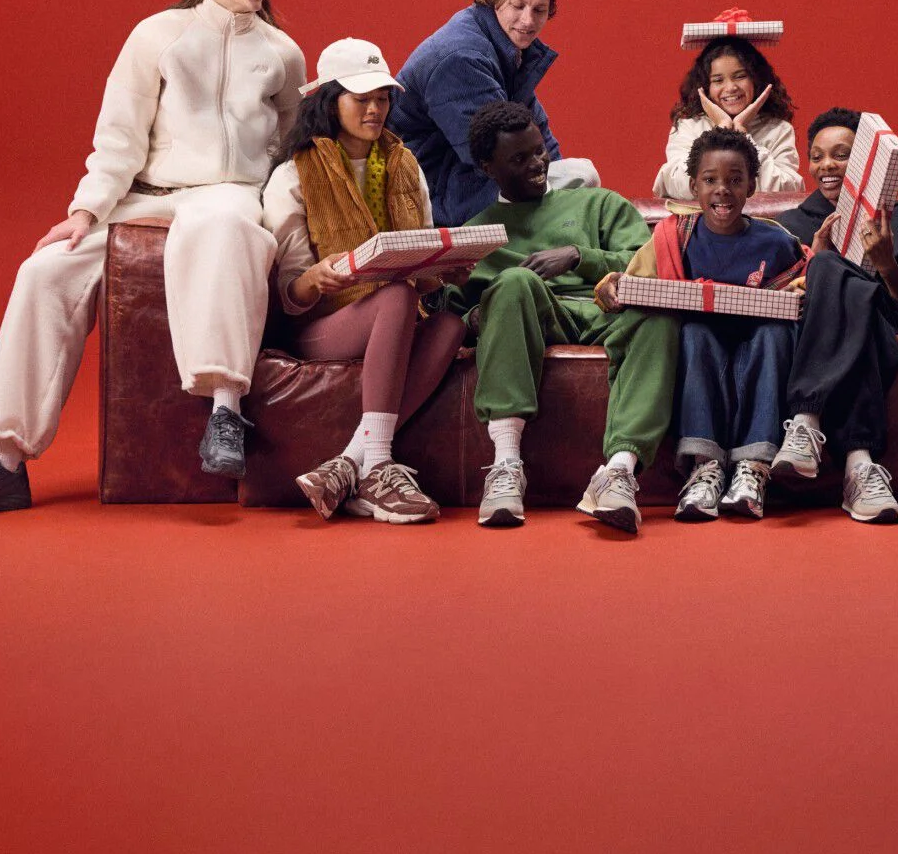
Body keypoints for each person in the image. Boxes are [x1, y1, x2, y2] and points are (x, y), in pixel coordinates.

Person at [0, 0, 306, 518]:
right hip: (147, 196)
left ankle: (226, 413)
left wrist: (287, 222)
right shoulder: (158, 35)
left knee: (225, 229)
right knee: (45, 271)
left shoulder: (282, 52)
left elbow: (289, 150)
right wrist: (87, 210)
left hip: (229, 195)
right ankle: (4, 460)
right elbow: (120, 135)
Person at [262, 39, 469, 524]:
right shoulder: (293, 175)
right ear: (329, 100)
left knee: (451, 325)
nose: (375, 109)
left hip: (396, 315)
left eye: (383, 97)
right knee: (394, 294)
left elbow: (420, 269)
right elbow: (290, 296)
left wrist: (442, 270)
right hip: (323, 324)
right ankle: (379, 465)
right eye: (361, 99)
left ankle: (352, 459)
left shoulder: (405, 164)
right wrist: (315, 277)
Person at [452, 102, 679, 534]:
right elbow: (452, 308)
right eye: (519, 159)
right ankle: (505, 466)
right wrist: (480, 317)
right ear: (487, 167)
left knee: (662, 312)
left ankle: (618, 471)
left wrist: (579, 256)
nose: (538, 164)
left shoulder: (599, 204)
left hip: (606, 311)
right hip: (535, 316)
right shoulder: (478, 231)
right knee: (515, 282)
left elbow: (646, 263)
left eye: (539, 151)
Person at [609, 128, 804, 521]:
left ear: (752, 186)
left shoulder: (777, 241)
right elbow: (635, 284)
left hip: (759, 339)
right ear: (693, 185)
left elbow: (800, 288)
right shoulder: (674, 235)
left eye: (735, 181)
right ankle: (704, 466)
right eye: (711, 180)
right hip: (701, 343)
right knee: (694, 333)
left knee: (776, 333)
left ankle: (754, 467)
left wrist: (798, 294)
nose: (723, 191)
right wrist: (614, 289)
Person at [770, 108, 898, 523]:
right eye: (816, 156)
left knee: (840, 276)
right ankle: (859, 464)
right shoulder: (790, 224)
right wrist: (812, 265)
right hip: (828, 330)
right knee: (826, 266)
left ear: (862, 164)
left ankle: (805, 418)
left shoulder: (897, 216)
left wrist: (886, 265)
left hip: (884, 321)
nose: (826, 166)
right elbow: (780, 302)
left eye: (840, 154)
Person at [387, 0, 596, 227]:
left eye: (539, 10)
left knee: (572, 182)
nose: (528, 20)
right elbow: (495, 156)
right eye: (518, 5)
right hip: (435, 196)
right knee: (581, 175)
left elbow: (537, 136)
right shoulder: (462, 58)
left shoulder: (506, 49)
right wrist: (565, 198)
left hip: (464, 180)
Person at [652, 37, 800, 200]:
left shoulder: (778, 129)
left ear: (756, 80)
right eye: (718, 80)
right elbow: (675, 184)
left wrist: (742, 134)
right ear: (705, 88)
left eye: (740, 76)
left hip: (762, 222)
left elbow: (786, 192)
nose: (731, 87)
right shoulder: (688, 126)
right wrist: (721, 129)